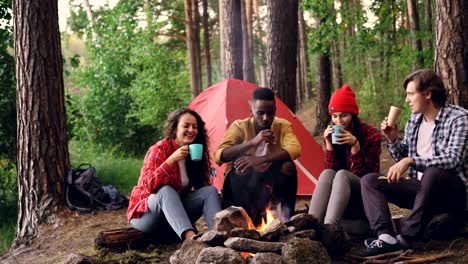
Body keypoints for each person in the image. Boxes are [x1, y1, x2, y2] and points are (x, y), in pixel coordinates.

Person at [361, 69, 468, 256]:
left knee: (432, 173)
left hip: (452, 194)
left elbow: (453, 160)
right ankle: (385, 237)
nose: (407, 100)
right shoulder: (414, 120)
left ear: (428, 94)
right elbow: (402, 156)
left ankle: (406, 238)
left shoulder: (459, 118)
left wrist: (410, 161)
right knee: (370, 180)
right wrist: (393, 139)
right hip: (421, 193)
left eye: (411, 94)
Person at [126, 108, 222, 241]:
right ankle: (191, 239)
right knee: (166, 190)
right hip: (146, 216)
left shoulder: (192, 152)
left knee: (210, 192)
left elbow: (199, 189)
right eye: (186, 126)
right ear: (175, 128)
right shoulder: (159, 149)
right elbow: (148, 186)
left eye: (195, 127)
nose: (191, 130)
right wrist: (171, 160)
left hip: (172, 219)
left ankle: (218, 236)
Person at [214, 87, 301, 225]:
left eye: (270, 113)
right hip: (243, 185)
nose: (266, 118)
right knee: (241, 166)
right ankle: (245, 218)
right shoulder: (240, 127)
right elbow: (220, 155)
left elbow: (295, 149)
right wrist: (253, 142)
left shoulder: (282, 126)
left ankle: (287, 217)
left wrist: (260, 159)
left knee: (288, 166)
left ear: (275, 112)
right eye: (260, 113)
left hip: (271, 181)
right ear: (251, 111)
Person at [308, 84, 381, 235]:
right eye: (334, 116)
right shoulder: (333, 134)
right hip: (341, 207)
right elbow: (331, 173)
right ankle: (310, 226)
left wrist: (355, 147)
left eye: (343, 115)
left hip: (363, 202)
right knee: (328, 173)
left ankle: (330, 232)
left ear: (353, 114)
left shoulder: (371, 135)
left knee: (342, 175)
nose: (338, 121)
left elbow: (370, 178)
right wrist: (329, 145)